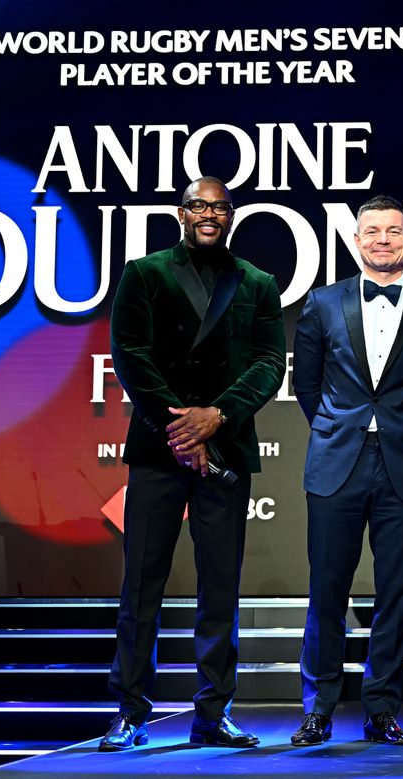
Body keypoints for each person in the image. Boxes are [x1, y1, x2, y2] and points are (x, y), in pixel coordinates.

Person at [100, 176, 286, 750]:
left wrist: (217, 417)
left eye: (220, 207)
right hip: (160, 451)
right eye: (200, 205)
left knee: (220, 587)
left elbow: (267, 363)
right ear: (182, 213)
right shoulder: (145, 273)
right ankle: (130, 712)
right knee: (142, 586)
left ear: (231, 216)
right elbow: (131, 358)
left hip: (225, 449)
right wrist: (182, 430)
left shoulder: (256, 281)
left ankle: (213, 713)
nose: (210, 214)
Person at [290, 195, 403, 746]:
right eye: (372, 231)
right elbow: (307, 386)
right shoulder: (321, 303)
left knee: (396, 592)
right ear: (356, 241)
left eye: (393, 231)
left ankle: (382, 708)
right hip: (336, 463)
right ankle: (318, 709)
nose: (382, 239)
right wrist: (342, 426)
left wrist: (400, 428)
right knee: (326, 590)